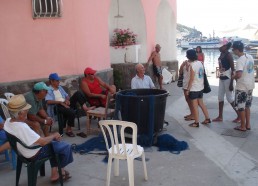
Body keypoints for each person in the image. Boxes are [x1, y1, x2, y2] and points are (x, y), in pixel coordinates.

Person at [4, 94, 73, 182]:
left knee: (54, 144)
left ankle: (55, 172)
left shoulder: (8, 122)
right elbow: (42, 142)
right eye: (26, 111)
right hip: (32, 154)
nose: (27, 112)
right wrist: (54, 135)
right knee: (64, 146)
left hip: (21, 152)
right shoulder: (21, 127)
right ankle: (60, 171)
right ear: (20, 113)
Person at [213, 42, 240, 122]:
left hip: (228, 78)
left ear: (225, 46)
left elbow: (233, 69)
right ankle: (220, 116)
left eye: (221, 46)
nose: (219, 48)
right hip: (222, 78)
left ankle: (239, 116)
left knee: (230, 98)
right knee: (220, 97)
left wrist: (231, 83)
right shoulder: (222, 54)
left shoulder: (228, 55)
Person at [231, 41, 255, 131]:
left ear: (237, 50)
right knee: (247, 106)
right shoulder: (250, 56)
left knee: (241, 107)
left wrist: (233, 76)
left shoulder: (240, 60)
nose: (233, 51)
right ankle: (248, 125)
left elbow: (239, 74)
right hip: (250, 85)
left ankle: (242, 126)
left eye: (233, 49)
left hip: (242, 86)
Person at [45, 73, 77, 137]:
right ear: (52, 81)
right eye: (57, 81)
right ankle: (69, 130)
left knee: (78, 94)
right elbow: (48, 101)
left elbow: (67, 96)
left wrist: (67, 100)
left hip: (64, 103)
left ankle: (85, 107)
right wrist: (60, 102)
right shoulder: (48, 89)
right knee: (72, 112)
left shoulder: (59, 87)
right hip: (57, 106)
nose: (59, 82)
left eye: (58, 80)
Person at [185, 49, 210, 127]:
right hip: (200, 87)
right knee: (201, 104)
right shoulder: (200, 63)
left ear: (189, 57)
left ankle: (196, 122)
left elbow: (191, 79)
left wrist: (188, 89)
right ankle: (207, 118)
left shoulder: (192, 65)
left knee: (195, 106)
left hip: (194, 88)